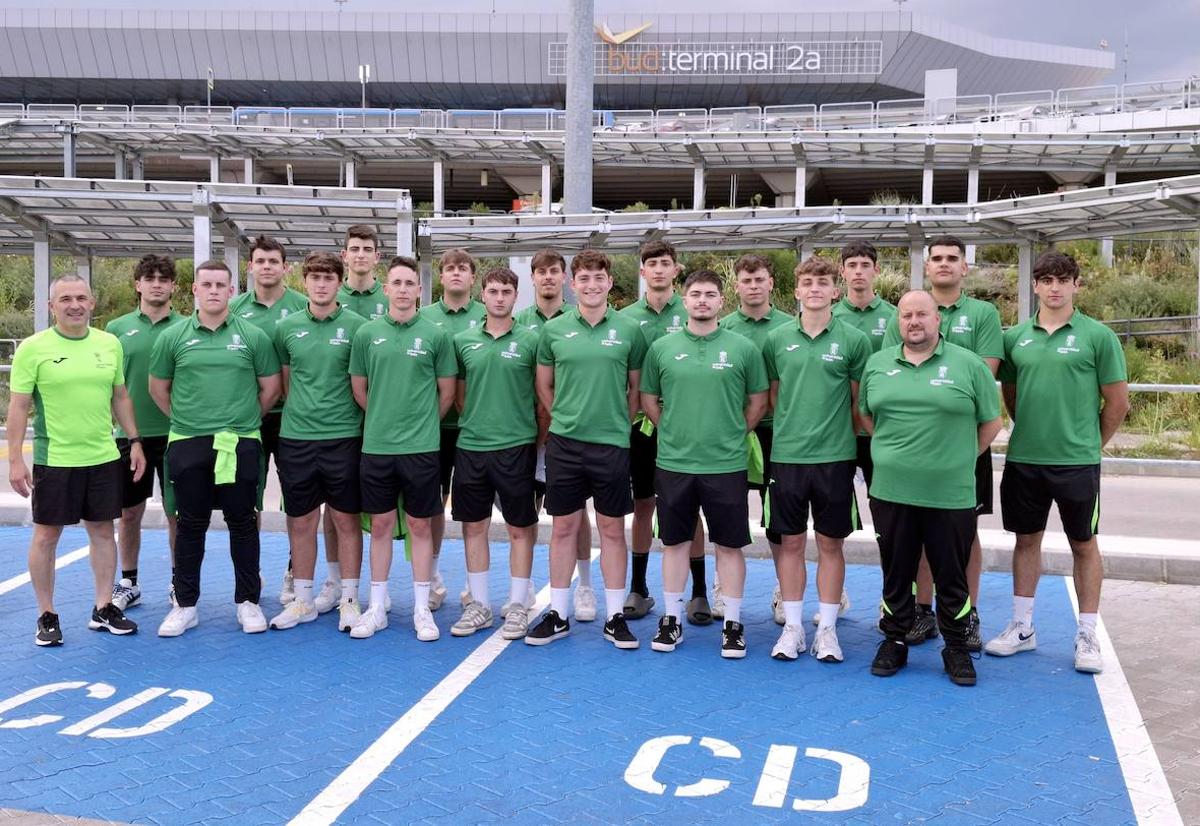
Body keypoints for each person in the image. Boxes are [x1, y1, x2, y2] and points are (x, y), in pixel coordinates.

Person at [985, 251, 1129, 674]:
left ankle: (1087, 633)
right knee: (1025, 541)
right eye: (1046, 279)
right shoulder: (1015, 339)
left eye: (1063, 280)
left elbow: (1117, 403)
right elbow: (1009, 393)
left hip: (1077, 463)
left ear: (1076, 286)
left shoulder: (1098, 336)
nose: (1054, 287)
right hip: (1025, 459)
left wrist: (1089, 444)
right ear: (1034, 286)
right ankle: (1023, 627)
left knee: (1083, 544)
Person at [861, 291, 1002, 686]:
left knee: (951, 574)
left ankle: (956, 647)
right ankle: (895, 641)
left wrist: (958, 457)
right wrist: (895, 453)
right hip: (891, 490)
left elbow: (991, 423)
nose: (913, 321)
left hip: (951, 493)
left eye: (922, 314)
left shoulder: (968, 365)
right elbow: (867, 416)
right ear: (898, 322)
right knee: (896, 571)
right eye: (906, 315)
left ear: (938, 319)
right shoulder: (877, 364)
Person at [8, 275, 143, 646]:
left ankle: (103, 608)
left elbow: (120, 397)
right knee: (47, 535)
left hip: (102, 456)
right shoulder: (34, 349)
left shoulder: (109, 344)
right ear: (52, 306)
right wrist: (15, 460)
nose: (74, 304)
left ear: (93, 303)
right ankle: (47, 614)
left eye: (81, 297)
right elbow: (19, 406)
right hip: (56, 459)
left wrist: (134, 440)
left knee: (102, 531)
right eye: (65, 298)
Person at [150, 261, 282, 637]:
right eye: (206, 284)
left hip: (239, 443)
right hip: (188, 443)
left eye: (220, 285)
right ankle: (186, 604)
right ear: (194, 290)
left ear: (230, 290)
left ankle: (248, 602)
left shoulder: (252, 336)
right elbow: (158, 388)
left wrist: (244, 421)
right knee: (191, 524)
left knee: (243, 522)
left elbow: (270, 388)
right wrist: (188, 421)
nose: (213, 290)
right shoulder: (173, 337)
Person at [883, 235, 1002, 650]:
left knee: (963, 536)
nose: (945, 264)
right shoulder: (908, 310)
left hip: (962, 446)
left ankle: (966, 616)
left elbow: (981, 380)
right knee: (915, 534)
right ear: (927, 267)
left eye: (953, 258)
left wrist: (961, 451)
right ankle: (921, 610)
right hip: (913, 452)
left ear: (964, 267)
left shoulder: (983, 313)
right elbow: (889, 372)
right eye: (937, 258)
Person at [641, 269, 768, 658]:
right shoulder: (662, 348)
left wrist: (731, 434)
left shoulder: (743, 349)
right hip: (675, 462)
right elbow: (648, 398)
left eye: (710, 294)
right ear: (684, 299)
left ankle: (732, 623)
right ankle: (672, 619)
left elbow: (759, 402)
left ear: (720, 301)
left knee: (729, 546)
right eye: (695, 293)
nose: (702, 300)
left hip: (725, 464)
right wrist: (674, 430)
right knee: (675, 543)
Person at [527, 249, 644, 649]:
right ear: (572, 285)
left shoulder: (629, 330)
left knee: (612, 530)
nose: (592, 285)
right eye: (584, 279)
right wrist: (564, 416)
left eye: (599, 278)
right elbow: (544, 386)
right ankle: (558, 614)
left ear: (610, 283)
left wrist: (615, 424)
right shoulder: (554, 331)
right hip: (565, 444)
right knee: (564, 528)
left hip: (611, 444)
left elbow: (635, 389)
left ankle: (614, 618)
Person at [762, 257, 871, 663]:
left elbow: (859, 402)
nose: (814, 289)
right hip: (788, 456)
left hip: (836, 458)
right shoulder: (776, 339)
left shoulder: (854, 340)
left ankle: (826, 628)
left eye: (822, 282)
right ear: (796, 290)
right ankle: (793, 627)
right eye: (807, 282)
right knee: (789, 542)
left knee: (830, 543)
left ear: (834, 290)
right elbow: (775, 396)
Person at [349, 256, 457, 641]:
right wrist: (384, 416)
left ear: (418, 289)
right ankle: (376, 608)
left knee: (419, 526)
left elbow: (446, 394)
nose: (403, 289)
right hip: (376, 446)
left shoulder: (436, 335)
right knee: (378, 526)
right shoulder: (366, 334)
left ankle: (420, 609)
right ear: (387, 286)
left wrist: (419, 422)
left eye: (410, 283)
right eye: (396, 282)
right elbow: (360, 389)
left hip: (422, 448)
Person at [268, 252, 368, 632]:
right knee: (301, 520)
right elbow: (288, 382)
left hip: (344, 437)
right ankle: (304, 600)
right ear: (304, 282)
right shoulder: (287, 328)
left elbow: (361, 382)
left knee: (345, 519)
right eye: (315, 277)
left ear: (339, 282)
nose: (322, 284)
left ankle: (348, 598)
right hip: (297, 439)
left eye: (329, 277)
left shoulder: (358, 327)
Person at [451, 267, 541, 640]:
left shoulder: (532, 341)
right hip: (472, 447)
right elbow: (458, 395)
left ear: (515, 297)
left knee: (521, 527)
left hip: (517, 447)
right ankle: (480, 606)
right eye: (493, 291)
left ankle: (518, 605)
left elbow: (542, 397)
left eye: (506, 291)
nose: (499, 297)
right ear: (482, 296)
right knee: (474, 526)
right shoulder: (463, 341)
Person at [619, 239, 704, 622]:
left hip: (687, 427)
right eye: (651, 263)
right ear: (642, 271)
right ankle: (639, 588)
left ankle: (700, 593)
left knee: (692, 507)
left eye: (665, 263)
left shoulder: (690, 311)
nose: (657, 269)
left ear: (676, 270)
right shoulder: (624, 318)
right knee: (642, 505)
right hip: (641, 427)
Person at [227, 236, 310, 605]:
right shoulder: (233, 310)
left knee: (298, 501)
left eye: (274, 261)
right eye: (260, 260)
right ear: (250, 266)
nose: (266, 267)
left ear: (285, 267)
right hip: (251, 419)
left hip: (293, 420)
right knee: (247, 501)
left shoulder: (304, 307)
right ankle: (251, 574)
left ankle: (295, 573)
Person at [513, 248, 594, 621]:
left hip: (566, 430)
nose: (547, 277)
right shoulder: (518, 322)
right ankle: (524, 583)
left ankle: (585, 586)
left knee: (576, 513)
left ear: (565, 278)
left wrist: (557, 417)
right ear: (532, 278)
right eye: (541, 271)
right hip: (525, 428)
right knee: (522, 509)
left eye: (554, 271)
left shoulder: (579, 318)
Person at [104, 254, 182, 610]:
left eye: (163, 278)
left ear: (173, 287)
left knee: (176, 513)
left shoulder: (186, 326)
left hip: (176, 435)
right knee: (129, 513)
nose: (156, 283)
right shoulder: (116, 329)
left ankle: (180, 581)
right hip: (130, 436)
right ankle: (129, 581)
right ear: (137, 284)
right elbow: (110, 385)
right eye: (149, 278)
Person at [419, 248, 486, 612]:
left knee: (475, 512)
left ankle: (474, 587)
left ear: (473, 277)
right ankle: (430, 577)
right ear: (441, 276)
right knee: (432, 504)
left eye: (464, 268)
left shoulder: (489, 314)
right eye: (450, 268)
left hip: (479, 431)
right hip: (436, 427)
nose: (457, 273)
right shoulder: (424, 318)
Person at [832, 240, 897, 493]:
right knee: (836, 502)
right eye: (852, 265)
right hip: (840, 427)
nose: (858, 271)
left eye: (865, 265)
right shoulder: (829, 317)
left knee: (883, 499)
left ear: (876, 270)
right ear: (842, 271)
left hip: (879, 426)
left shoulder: (895, 316)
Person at [337, 224, 386, 321]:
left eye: (367, 250)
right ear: (344, 255)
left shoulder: (389, 297)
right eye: (354, 249)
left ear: (377, 257)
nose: (361, 255)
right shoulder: (332, 296)